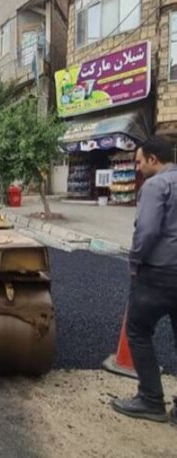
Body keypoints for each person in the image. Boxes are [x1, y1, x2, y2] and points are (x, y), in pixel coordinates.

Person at [111, 136, 177, 424]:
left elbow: (147, 230)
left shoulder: (156, 185)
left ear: (153, 159)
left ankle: (151, 399)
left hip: (159, 272)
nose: (137, 168)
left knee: (137, 332)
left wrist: (134, 261)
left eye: (139, 162)